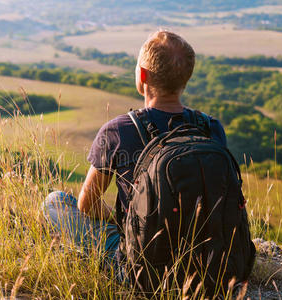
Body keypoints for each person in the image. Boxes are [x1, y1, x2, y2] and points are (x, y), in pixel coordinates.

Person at [43, 30, 227, 281]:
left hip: (139, 272)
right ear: (187, 78)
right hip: (208, 267)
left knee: (55, 202)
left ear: (142, 76)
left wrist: (125, 219)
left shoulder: (118, 131)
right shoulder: (210, 127)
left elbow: (87, 203)